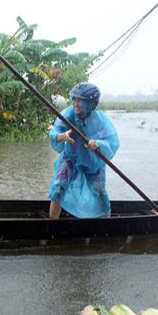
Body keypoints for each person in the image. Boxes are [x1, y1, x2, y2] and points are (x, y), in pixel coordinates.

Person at [48, 82, 119, 219]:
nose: (75, 103)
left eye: (79, 100)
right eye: (73, 99)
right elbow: (55, 132)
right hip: (70, 159)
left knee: (99, 193)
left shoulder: (101, 121)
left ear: (90, 103)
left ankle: (107, 223)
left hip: (93, 164)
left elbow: (112, 141)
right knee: (58, 187)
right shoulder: (68, 114)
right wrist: (61, 136)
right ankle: (52, 223)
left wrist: (97, 144)